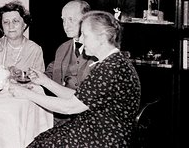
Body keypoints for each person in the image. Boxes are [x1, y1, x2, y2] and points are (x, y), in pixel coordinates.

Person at [10, 10, 141, 147]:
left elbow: (69, 107)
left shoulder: (109, 69)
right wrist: (45, 81)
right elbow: (79, 97)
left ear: (102, 38)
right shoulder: (115, 62)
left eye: (84, 35)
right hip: (99, 130)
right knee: (42, 138)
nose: (81, 40)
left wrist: (25, 93)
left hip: (103, 138)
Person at [0, 1, 45, 75]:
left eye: (15, 21)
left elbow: (40, 81)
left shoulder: (34, 49)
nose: (10, 26)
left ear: (24, 25)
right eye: (6, 22)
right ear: (2, 27)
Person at [44, 0, 95, 90]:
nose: (66, 25)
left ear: (86, 19)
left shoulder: (99, 49)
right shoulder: (62, 48)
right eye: (64, 20)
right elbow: (51, 72)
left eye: (71, 19)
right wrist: (29, 75)